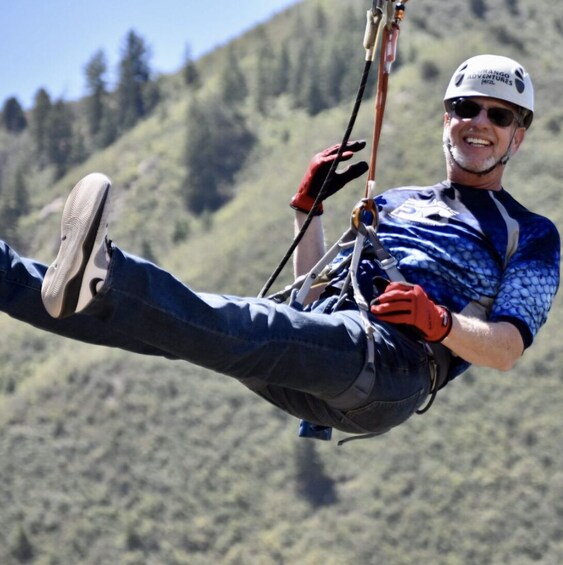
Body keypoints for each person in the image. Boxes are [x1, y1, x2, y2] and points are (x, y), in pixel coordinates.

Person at [1, 54, 560, 439]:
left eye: (499, 115)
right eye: (467, 108)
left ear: (519, 134)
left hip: (394, 367)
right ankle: (13, 276)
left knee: (229, 322)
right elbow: (314, 291)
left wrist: (439, 323)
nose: (478, 123)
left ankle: (109, 271)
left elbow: (506, 350)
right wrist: (307, 212)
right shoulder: (395, 203)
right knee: (166, 327)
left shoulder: (530, 234)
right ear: (447, 119)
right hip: (331, 353)